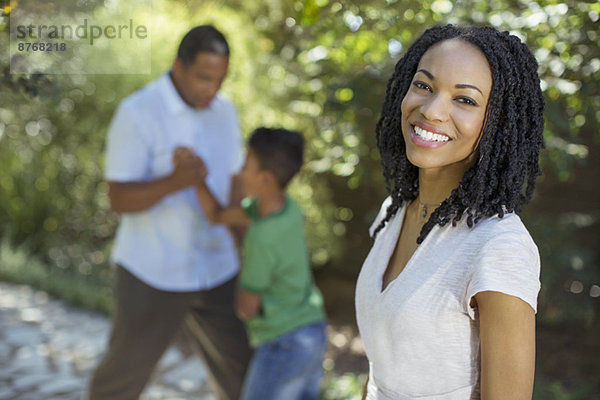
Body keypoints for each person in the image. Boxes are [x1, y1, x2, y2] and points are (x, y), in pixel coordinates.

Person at [355, 25, 545, 400]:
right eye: (424, 86)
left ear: (498, 122)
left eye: (465, 100)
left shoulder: (498, 246)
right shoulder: (394, 213)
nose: (432, 110)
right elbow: (382, 368)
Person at [86, 25, 252, 400]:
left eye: (220, 79)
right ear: (179, 67)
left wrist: (248, 254)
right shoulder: (137, 112)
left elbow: (234, 185)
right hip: (152, 273)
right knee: (119, 382)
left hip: (218, 269)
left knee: (246, 377)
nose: (212, 89)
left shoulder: (225, 111)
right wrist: (176, 181)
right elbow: (119, 199)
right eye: (204, 78)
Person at [174, 127, 328, 400]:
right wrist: (197, 180)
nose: (240, 171)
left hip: (284, 343)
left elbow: (247, 308)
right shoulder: (287, 208)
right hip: (312, 333)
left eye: (246, 164)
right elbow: (218, 215)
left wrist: (241, 258)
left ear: (265, 179)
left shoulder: (261, 237)